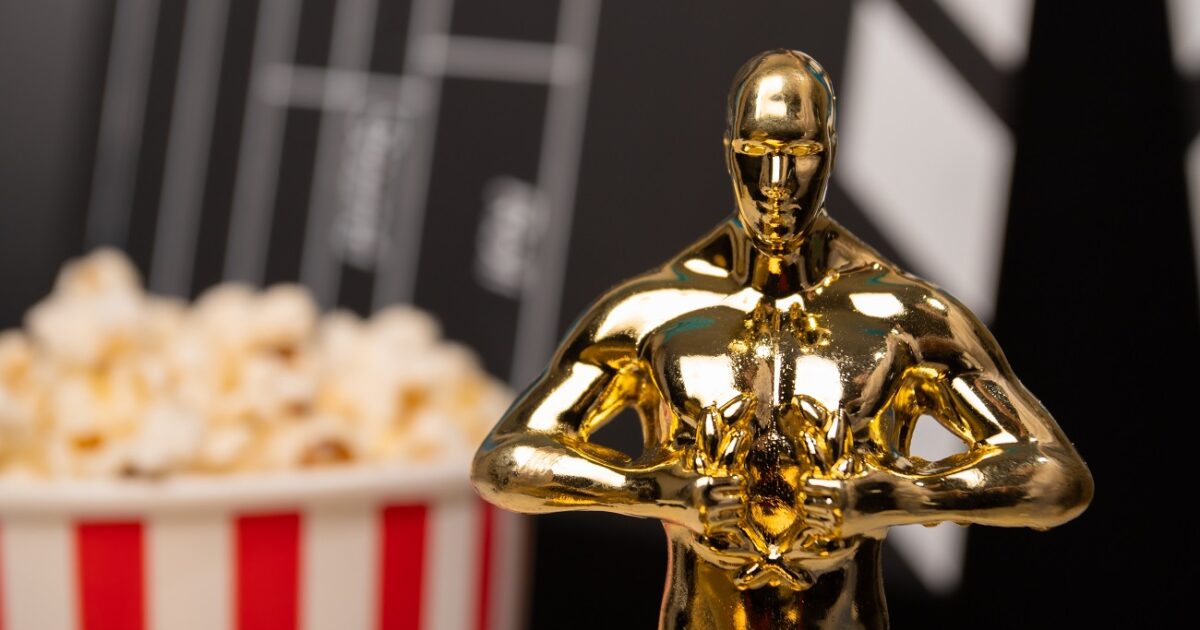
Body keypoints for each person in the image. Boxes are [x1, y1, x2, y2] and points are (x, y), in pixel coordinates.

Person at [471, 49, 1092, 630]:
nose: (776, 182)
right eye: (756, 150)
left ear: (830, 151)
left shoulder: (905, 318)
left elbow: (1055, 475)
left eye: (800, 152)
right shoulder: (651, 315)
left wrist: (894, 494)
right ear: (729, 151)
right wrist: (658, 489)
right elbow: (504, 460)